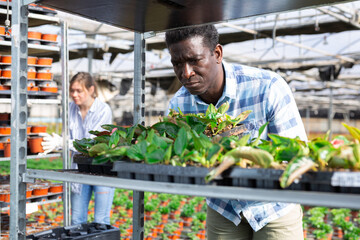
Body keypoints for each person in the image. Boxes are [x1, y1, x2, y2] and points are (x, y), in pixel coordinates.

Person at [165, 24, 307, 239]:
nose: (186, 73)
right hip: (224, 206)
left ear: (217, 54)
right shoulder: (179, 106)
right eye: (177, 63)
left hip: (273, 206)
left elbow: (297, 152)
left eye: (194, 60)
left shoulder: (267, 87)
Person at [40, 72, 115, 225]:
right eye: (72, 90)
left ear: (91, 90)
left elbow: (92, 145)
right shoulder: (69, 109)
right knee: (76, 220)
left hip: (102, 169)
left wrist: (62, 143)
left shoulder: (103, 110)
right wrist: (56, 144)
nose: (74, 94)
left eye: (79, 91)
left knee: (101, 220)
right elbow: (67, 139)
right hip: (79, 169)